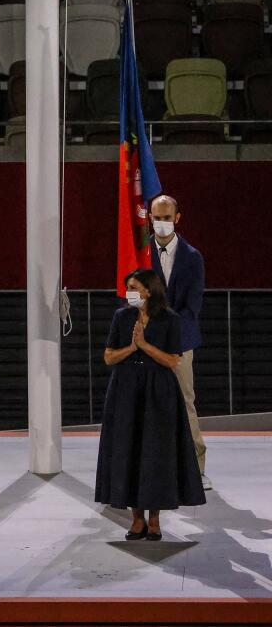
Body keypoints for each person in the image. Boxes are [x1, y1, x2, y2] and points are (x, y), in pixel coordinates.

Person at [96, 268, 205, 541]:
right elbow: (109, 357)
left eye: (134, 286)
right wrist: (132, 349)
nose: (129, 292)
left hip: (159, 391)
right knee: (129, 449)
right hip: (126, 391)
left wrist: (143, 345)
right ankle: (136, 518)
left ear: (148, 290)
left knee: (156, 453)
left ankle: (154, 519)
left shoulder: (169, 319)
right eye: (127, 287)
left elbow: (172, 360)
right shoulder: (122, 317)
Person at [149, 194, 209, 490]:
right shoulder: (138, 253)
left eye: (166, 218)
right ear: (149, 217)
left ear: (177, 218)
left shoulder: (192, 257)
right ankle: (149, 470)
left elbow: (192, 307)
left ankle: (197, 468)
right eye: (156, 218)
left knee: (185, 403)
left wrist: (169, 338)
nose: (161, 224)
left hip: (180, 343)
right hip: (146, 344)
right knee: (145, 405)